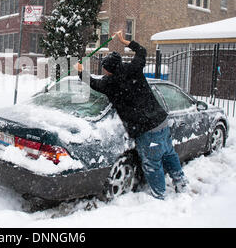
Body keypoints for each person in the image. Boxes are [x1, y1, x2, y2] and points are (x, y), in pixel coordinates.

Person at [74, 30, 188, 200]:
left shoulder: (110, 83)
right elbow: (142, 51)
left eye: (105, 69)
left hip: (146, 130)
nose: (104, 72)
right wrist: (124, 41)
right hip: (162, 121)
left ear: (109, 70)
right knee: (169, 153)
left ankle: (160, 197)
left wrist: (81, 71)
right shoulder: (134, 69)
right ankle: (181, 183)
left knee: (153, 164)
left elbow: (92, 83)